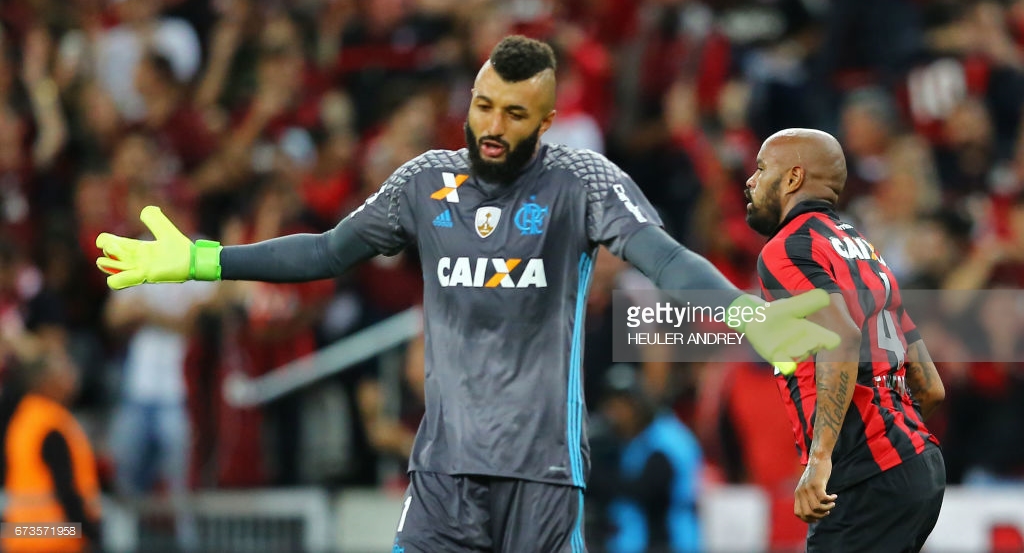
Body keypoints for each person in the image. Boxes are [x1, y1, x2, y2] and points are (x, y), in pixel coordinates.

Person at [94, 36, 839, 552]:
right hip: (444, 468)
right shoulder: (423, 182)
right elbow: (327, 251)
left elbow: (666, 260)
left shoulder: (582, 183)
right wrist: (202, 258)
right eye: (483, 104)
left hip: (542, 473)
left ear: (546, 122)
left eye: (514, 114)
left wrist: (746, 315)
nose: (491, 125)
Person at [744, 128, 947, 553]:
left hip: (867, 477)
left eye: (762, 168)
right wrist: (896, 446)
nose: (751, 180)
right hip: (918, 462)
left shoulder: (786, 248)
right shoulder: (866, 253)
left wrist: (821, 461)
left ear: (793, 178)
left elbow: (841, 337)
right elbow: (929, 385)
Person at [588, 364, 702, 553]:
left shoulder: (667, 439)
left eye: (622, 405)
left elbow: (645, 489)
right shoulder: (630, 440)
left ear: (639, 404)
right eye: (610, 405)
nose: (614, 414)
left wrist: (593, 474)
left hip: (670, 543)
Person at [0, 342, 102, 552]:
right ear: (45, 381)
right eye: (65, 371)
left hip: (21, 533)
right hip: (51, 536)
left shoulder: (24, 418)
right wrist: (90, 531)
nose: (73, 376)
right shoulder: (50, 423)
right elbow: (65, 488)